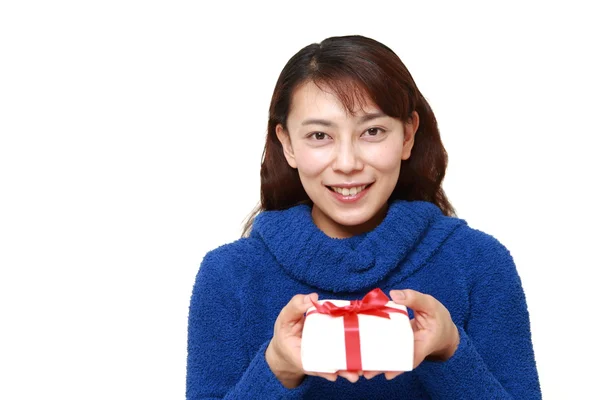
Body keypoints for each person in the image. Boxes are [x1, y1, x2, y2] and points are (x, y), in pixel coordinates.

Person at [186, 35, 541, 399]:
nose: (347, 163)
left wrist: (450, 350)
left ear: (407, 135)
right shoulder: (228, 275)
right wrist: (276, 367)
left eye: (372, 131)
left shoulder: (478, 262)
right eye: (320, 135)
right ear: (287, 144)